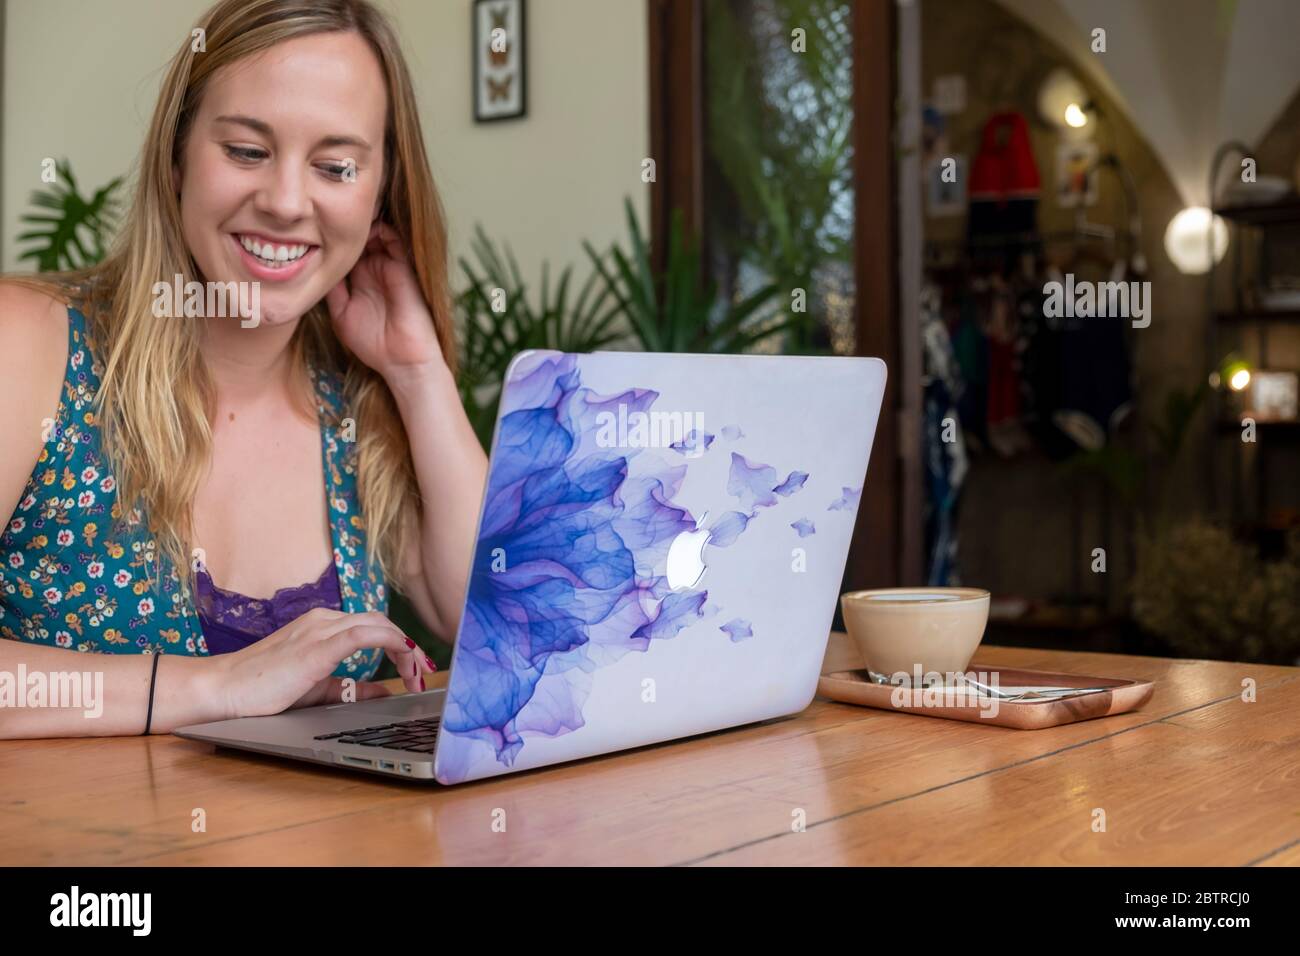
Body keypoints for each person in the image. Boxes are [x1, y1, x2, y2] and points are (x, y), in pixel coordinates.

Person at [0, 0, 488, 738]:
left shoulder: (360, 405)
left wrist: (419, 373)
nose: (287, 202)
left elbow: (494, 627)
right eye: (247, 151)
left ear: (381, 193)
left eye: (336, 166)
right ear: (177, 157)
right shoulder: (29, 341)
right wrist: (223, 685)